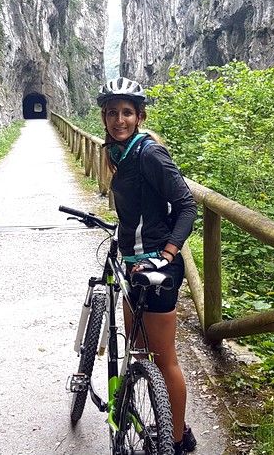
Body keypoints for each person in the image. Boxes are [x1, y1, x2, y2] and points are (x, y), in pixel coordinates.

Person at [97, 76, 198, 455]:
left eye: (127, 113)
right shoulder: (116, 154)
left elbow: (187, 206)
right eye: (112, 113)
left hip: (158, 266)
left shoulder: (149, 154)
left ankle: (176, 440)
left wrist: (168, 254)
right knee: (137, 349)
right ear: (105, 118)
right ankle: (149, 405)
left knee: (163, 357)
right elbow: (137, 209)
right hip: (132, 265)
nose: (119, 119)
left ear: (139, 117)